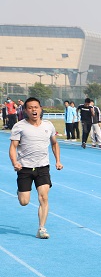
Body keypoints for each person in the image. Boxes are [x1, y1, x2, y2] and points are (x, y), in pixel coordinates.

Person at [8, 97, 63, 239]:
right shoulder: (19, 126)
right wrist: (15, 162)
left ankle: (41, 228)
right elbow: (13, 147)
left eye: (36, 107)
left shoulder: (48, 125)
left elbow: (54, 144)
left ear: (40, 109)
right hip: (25, 168)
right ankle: (21, 191)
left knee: (44, 197)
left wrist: (58, 161)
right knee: (24, 201)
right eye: (30, 107)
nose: (34, 110)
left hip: (42, 167)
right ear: (26, 110)